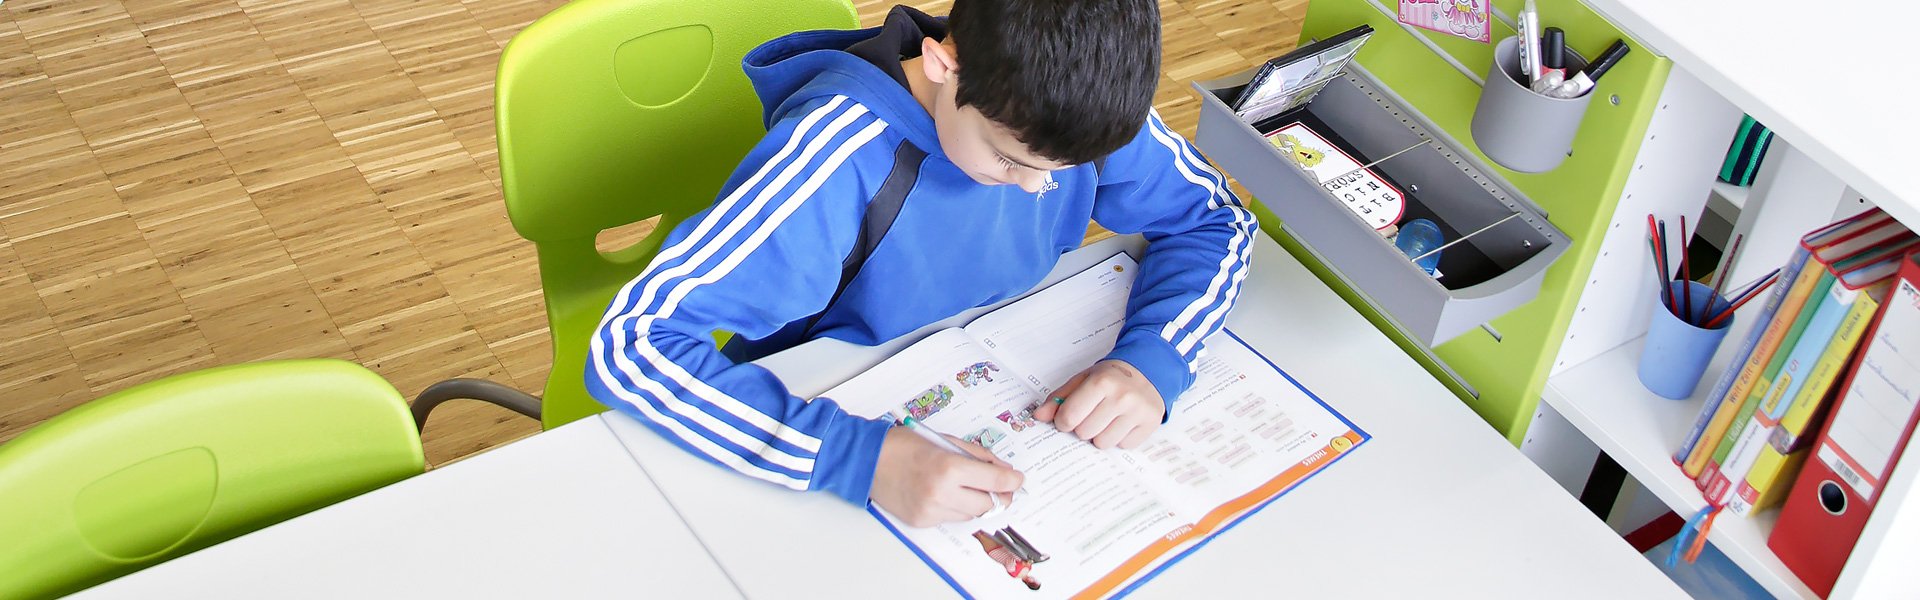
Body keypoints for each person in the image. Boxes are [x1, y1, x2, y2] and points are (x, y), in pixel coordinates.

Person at [586, 0, 1256, 528]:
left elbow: (1217, 220)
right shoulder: (838, 155)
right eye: (1009, 161)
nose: (1037, 188)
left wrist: (1151, 360)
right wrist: (855, 457)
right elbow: (630, 344)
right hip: (810, 433)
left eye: (1063, 171)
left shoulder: (1079, 114)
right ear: (942, 65)